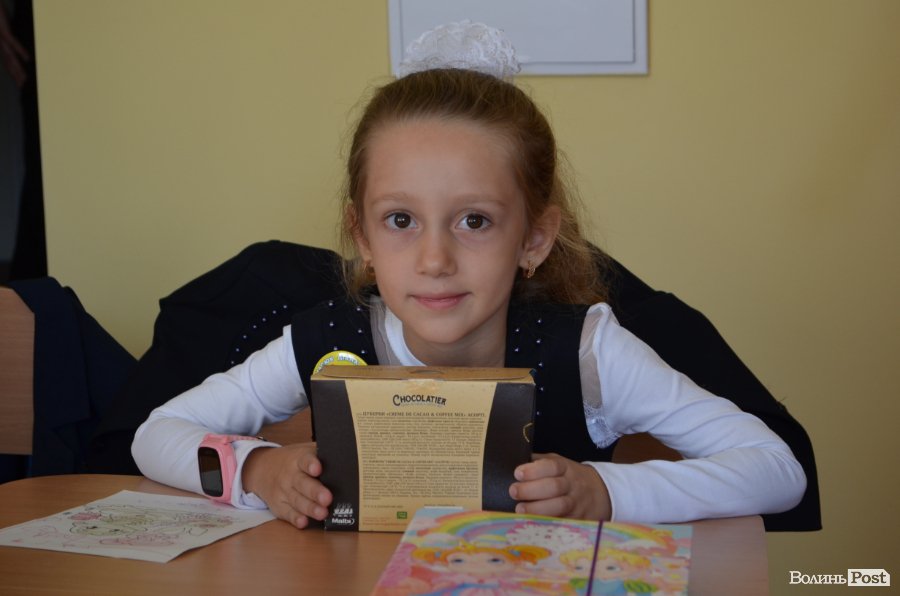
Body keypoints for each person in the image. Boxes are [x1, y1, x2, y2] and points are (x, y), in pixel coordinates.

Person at [132, 22, 805, 530]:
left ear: (534, 239)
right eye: (401, 220)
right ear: (362, 237)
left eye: (474, 221)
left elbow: (778, 469)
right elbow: (155, 435)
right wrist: (255, 468)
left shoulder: (589, 354)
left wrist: (606, 491)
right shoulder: (323, 340)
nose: (435, 260)